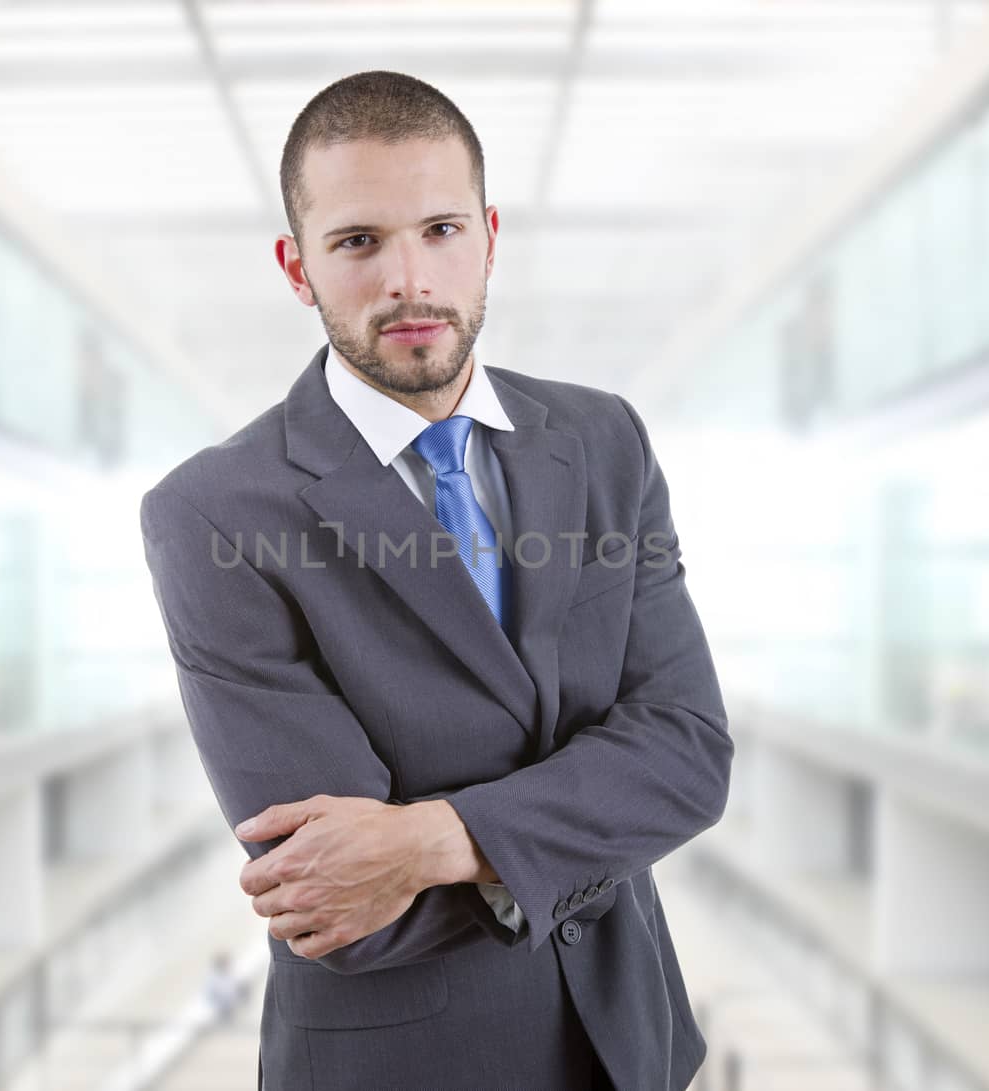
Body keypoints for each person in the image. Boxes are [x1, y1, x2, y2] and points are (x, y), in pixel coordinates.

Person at [140, 70, 732, 1091]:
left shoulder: (603, 442)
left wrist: (428, 835)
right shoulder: (215, 514)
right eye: (359, 241)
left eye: (441, 230)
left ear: (490, 237)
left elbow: (687, 757)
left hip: (633, 1045)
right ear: (298, 266)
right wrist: (589, 815)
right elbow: (340, 909)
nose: (409, 279)